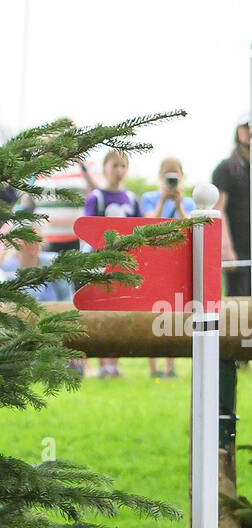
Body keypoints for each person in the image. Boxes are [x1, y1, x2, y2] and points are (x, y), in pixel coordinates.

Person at [83, 149, 141, 378]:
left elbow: (139, 230)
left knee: (120, 312)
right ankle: (102, 364)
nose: (119, 171)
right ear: (105, 167)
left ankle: (115, 364)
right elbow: (87, 230)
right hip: (100, 265)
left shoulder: (132, 199)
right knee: (101, 312)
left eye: (123, 166)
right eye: (115, 165)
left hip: (124, 266)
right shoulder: (96, 198)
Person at [140, 157, 197, 378]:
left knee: (173, 312)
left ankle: (171, 366)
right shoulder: (149, 198)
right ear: (160, 176)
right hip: (154, 261)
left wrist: (179, 203)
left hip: (176, 262)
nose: (172, 180)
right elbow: (147, 225)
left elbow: (190, 228)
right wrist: (163, 201)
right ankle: (154, 368)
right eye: (167, 175)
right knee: (151, 312)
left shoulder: (189, 202)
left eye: (175, 175)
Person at [213, 114, 252, 297]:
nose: (250, 131)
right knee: (238, 304)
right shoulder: (226, 168)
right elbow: (219, 208)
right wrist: (226, 248)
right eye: (245, 126)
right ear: (238, 131)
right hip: (236, 247)